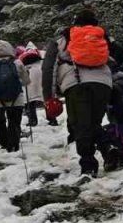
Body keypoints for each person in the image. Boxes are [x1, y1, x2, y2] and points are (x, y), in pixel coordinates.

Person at [43, 9, 114, 176]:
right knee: (94, 123)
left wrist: (49, 97)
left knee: (80, 125)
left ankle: (88, 164)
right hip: (103, 84)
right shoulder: (102, 37)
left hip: (76, 84)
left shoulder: (62, 40)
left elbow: (48, 68)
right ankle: (110, 149)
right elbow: (118, 56)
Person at [0, 40, 31, 153]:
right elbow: (26, 81)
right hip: (16, 98)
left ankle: (5, 144)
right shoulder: (17, 62)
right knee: (14, 121)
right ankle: (14, 143)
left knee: (0, 122)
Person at [19, 45, 46, 127]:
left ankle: (32, 120)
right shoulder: (40, 55)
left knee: (29, 102)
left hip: (30, 77)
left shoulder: (24, 58)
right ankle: (52, 119)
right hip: (40, 75)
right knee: (45, 98)